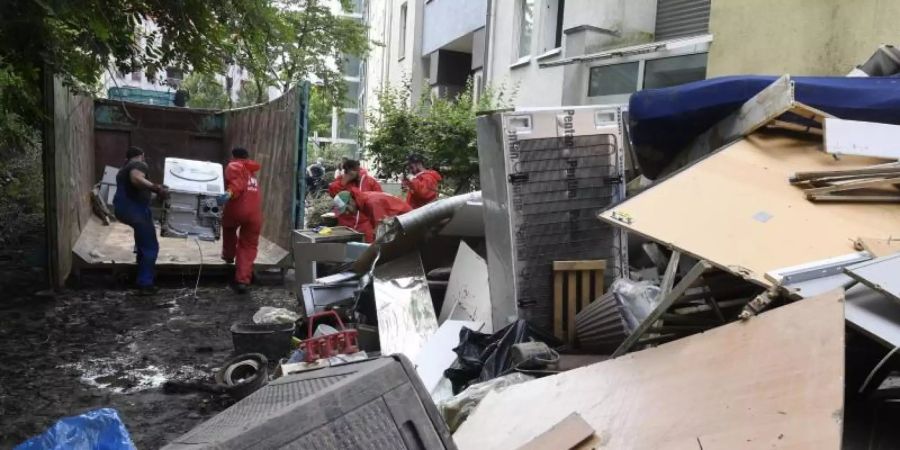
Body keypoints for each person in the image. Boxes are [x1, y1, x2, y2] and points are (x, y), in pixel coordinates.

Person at [113, 146, 167, 295]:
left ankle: (141, 264)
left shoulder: (122, 169)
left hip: (122, 208)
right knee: (151, 247)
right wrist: (156, 188)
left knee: (142, 237)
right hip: (135, 210)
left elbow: (136, 189)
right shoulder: (138, 164)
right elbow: (136, 179)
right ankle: (145, 283)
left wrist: (154, 195)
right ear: (142, 155)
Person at [218, 147, 263, 294]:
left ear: (233, 156)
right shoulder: (251, 172)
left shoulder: (234, 165)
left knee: (228, 227)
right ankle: (243, 280)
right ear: (248, 156)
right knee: (248, 246)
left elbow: (237, 186)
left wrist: (227, 194)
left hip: (237, 209)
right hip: (255, 214)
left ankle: (229, 255)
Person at [333, 190, 411, 243]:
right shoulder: (362, 200)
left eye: (346, 209)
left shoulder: (371, 203)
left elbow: (382, 231)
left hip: (407, 219)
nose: (347, 213)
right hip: (398, 219)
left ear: (351, 201)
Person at [328, 159, 383, 233]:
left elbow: (379, 202)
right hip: (345, 226)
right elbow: (335, 196)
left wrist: (376, 225)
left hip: (365, 226)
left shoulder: (370, 182)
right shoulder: (340, 183)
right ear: (346, 171)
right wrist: (346, 179)